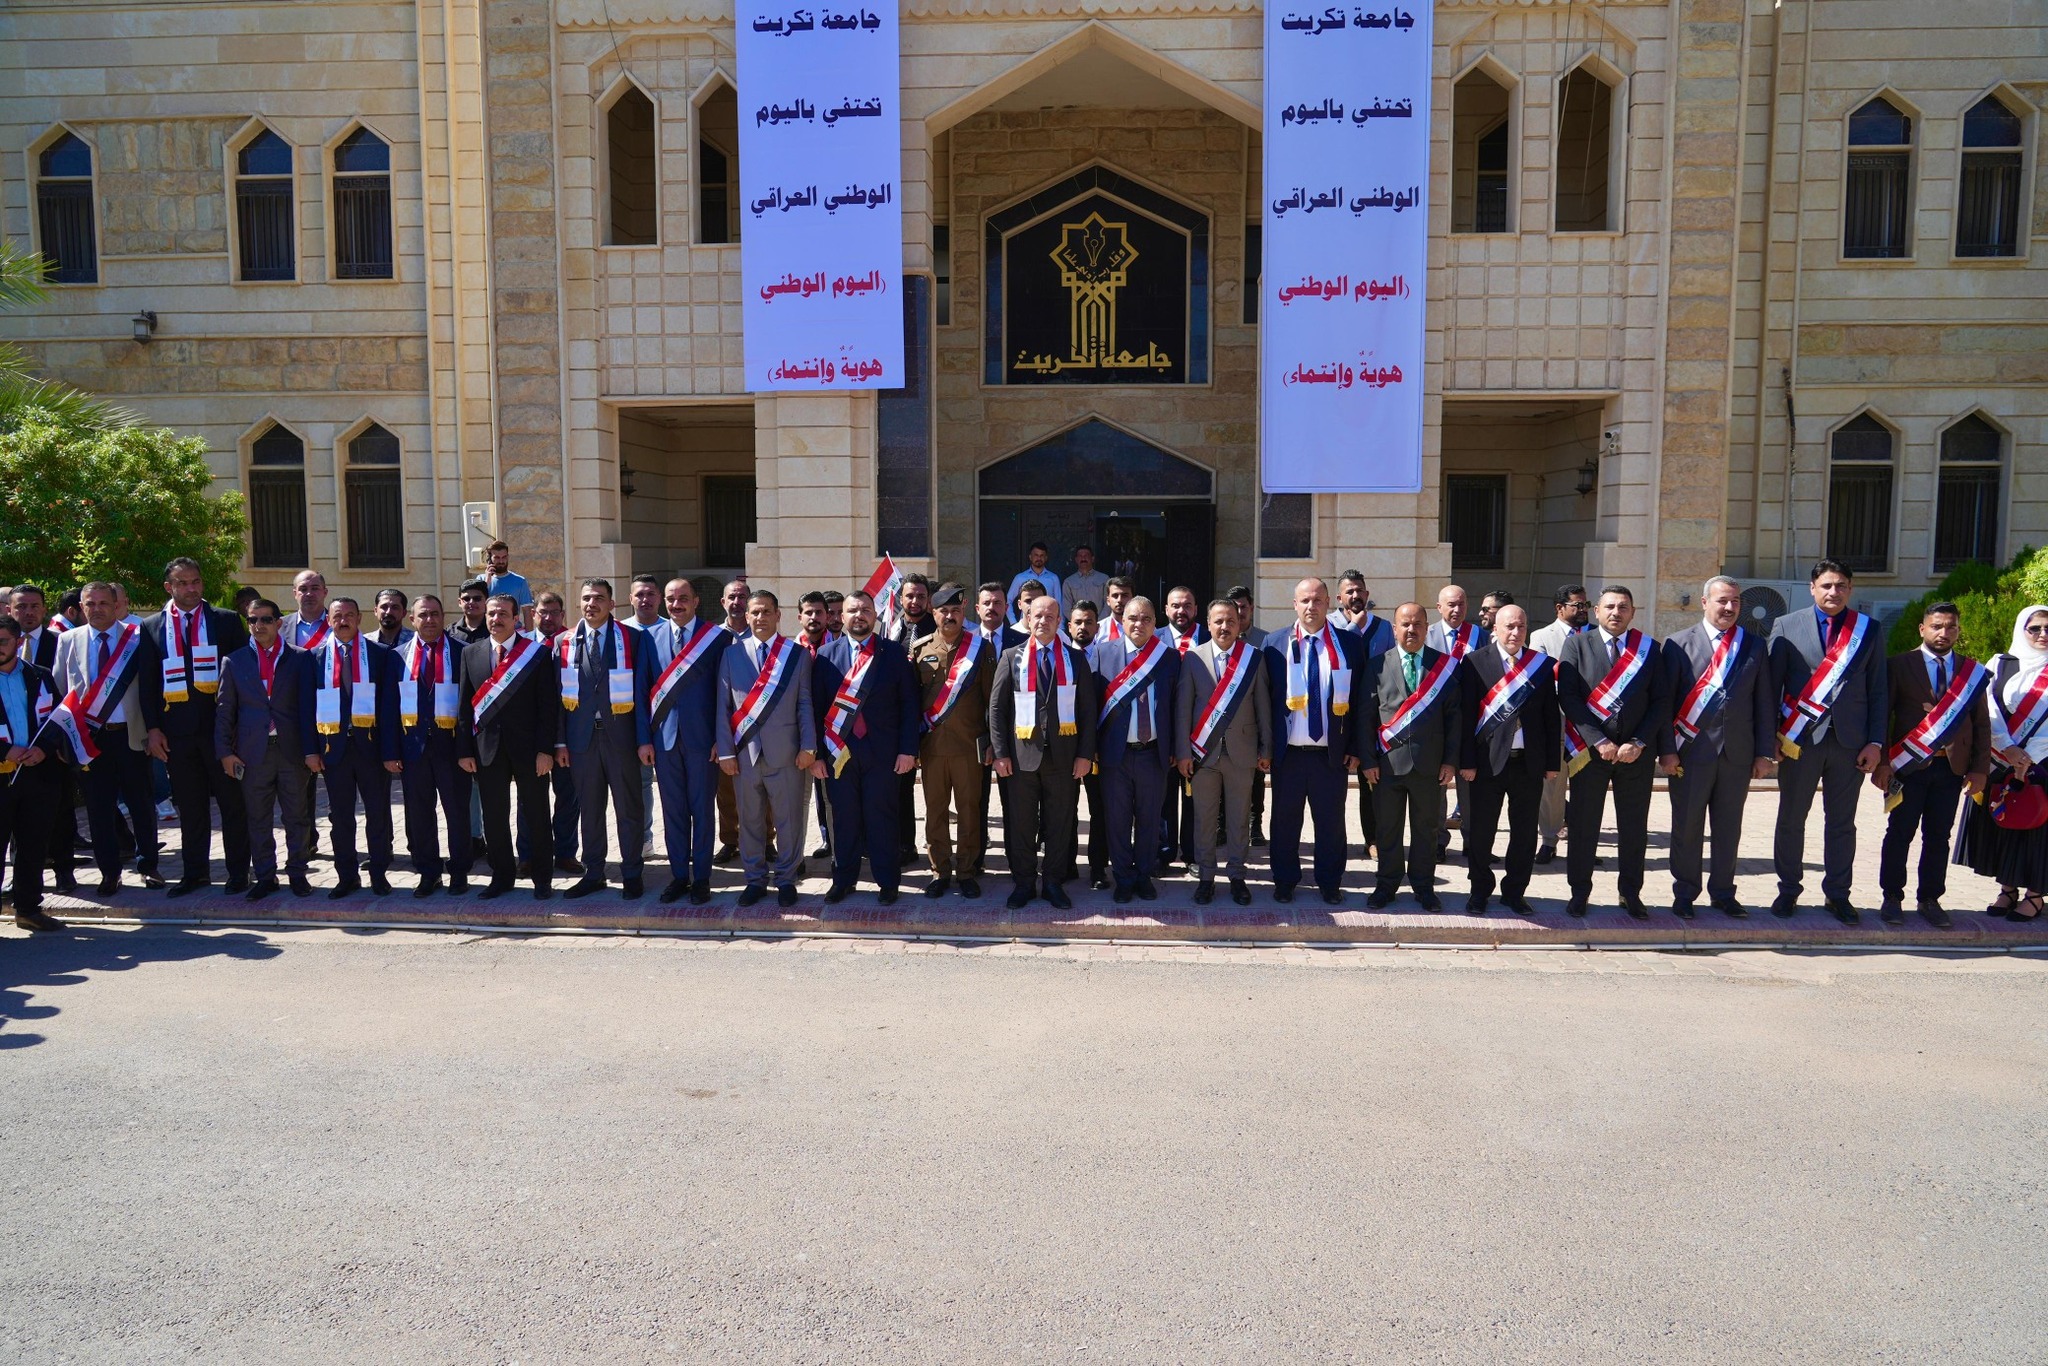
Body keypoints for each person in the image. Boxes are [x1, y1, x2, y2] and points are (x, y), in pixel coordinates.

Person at [1769, 559, 1887, 923]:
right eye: (1826, 585)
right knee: (1791, 818)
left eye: (1841, 586)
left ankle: (1837, 894)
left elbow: (1878, 690)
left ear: (1850, 589)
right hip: (1799, 740)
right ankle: (1788, 890)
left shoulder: (1868, 629)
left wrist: (1876, 742)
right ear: (1812, 588)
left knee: (1842, 823)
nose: (1833, 592)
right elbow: (1772, 686)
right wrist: (1771, 737)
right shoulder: (1786, 626)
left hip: (1851, 743)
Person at [1657, 576, 1776, 919]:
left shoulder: (1754, 645)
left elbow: (1764, 702)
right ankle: (1685, 893)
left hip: (1737, 754)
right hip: (1690, 753)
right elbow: (1665, 703)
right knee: (1687, 826)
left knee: (1728, 827)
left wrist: (1764, 752)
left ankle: (1723, 892)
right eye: (1722, 600)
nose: (1729, 607)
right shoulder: (1678, 644)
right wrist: (1667, 750)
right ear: (1704, 602)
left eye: (1735, 601)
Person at [1874, 601, 1989, 928]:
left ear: (1958, 631)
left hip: (1951, 770)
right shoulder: (1899, 665)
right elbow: (1883, 717)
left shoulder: (1971, 672)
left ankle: (1930, 899)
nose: (1944, 632)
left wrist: (1980, 769)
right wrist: (1883, 762)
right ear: (1922, 628)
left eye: (1951, 627)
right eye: (1937, 626)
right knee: (1899, 832)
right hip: (1906, 767)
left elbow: (1981, 723)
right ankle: (1892, 896)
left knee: (1938, 836)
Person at [1557, 585, 1668, 918]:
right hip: (1591, 753)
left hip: (1635, 755)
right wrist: (1598, 741)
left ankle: (1630, 893)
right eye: (1609, 607)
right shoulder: (1577, 644)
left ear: (1633, 612)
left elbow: (1661, 700)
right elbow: (1569, 697)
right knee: (1583, 825)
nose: (1616, 612)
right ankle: (1579, 892)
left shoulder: (1649, 649)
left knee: (1633, 827)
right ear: (1596, 611)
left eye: (1623, 607)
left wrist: (1639, 742)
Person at [145, 556, 251, 896]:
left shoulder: (226, 620)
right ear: (169, 587)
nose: (191, 589)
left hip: (221, 733)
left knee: (233, 805)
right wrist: (153, 729)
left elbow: (243, 676)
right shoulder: (151, 626)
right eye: (183, 583)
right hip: (176, 734)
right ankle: (195, 874)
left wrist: (238, 730)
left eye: (196, 582)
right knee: (191, 809)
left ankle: (238, 872)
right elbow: (147, 683)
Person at [1264, 577, 1373, 905]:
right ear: (1294, 605)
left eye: (1317, 600)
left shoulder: (1349, 644)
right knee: (1284, 822)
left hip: (1331, 755)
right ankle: (1285, 880)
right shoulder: (1274, 643)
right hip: (1289, 754)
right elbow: (1266, 701)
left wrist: (1355, 747)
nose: (1311, 606)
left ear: (1329, 603)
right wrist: (1265, 748)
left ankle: (1329, 882)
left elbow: (1360, 700)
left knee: (1331, 823)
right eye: (1305, 601)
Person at [52, 581, 166, 894]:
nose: (97, 609)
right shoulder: (68, 640)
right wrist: (64, 739)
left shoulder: (138, 637)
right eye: (90, 604)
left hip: (131, 736)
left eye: (104, 603)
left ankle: (149, 867)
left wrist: (154, 730)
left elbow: (152, 687)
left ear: (116, 605)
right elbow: (61, 692)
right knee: (99, 810)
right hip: (90, 740)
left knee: (142, 805)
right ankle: (109, 872)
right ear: (81, 607)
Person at [989, 593, 1097, 910]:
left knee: (1060, 823)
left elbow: (1088, 711)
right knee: (1021, 824)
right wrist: (1001, 753)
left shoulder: (1075, 660)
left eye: (1050, 616)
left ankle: (1052, 882)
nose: (1043, 621)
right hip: (1021, 758)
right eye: (1037, 615)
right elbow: (997, 709)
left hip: (1064, 759)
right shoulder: (1011, 657)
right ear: (1027, 618)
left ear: (1059, 621)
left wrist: (1085, 755)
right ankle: (1024, 883)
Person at [813, 588, 922, 904]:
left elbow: (909, 705)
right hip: (838, 753)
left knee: (882, 818)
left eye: (865, 610)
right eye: (852, 610)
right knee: (844, 819)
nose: (859, 616)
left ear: (875, 616)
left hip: (883, 754)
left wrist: (908, 750)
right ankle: (843, 880)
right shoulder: (825, 656)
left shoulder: (893, 653)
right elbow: (817, 708)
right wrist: (817, 755)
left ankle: (887, 882)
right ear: (840, 616)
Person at [554, 579, 654, 900]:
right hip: (581, 741)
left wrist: (644, 739)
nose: (591, 603)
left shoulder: (633, 639)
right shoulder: (563, 642)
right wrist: (560, 743)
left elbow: (643, 692)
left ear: (612, 604)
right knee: (590, 809)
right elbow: (557, 698)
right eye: (586, 598)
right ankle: (594, 872)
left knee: (629, 808)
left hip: (622, 739)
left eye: (599, 598)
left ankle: (632, 872)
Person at [718, 590, 816, 907]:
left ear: (778, 615)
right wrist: (726, 752)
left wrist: (809, 746)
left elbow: (804, 703)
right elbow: (723, 707)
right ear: (747, 616)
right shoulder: (731, 655)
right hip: (744, 754)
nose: (761, 617)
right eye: (755, 612)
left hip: (786, 752)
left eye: (766, 611)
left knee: (789, 821)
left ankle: (786, 879)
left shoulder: (795, 654)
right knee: (749, 821)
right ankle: (755, 880)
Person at [1457, 605, 1556, 916]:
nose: (1515, 633)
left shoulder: (1541, 665)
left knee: (1524, 833)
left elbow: (1551, 718)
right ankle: (1479, 890)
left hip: (1529, 763)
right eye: (1509, 627)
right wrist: (1466, 761)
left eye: (1521, 627)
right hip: (1487, 763)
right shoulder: (1475, 662)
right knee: (1481, 831)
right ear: (1495, 629)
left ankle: (1515, 891)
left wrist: (1552, 763)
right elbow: (1465, 716)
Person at [457, 594, 558, 900]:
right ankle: (502, 877)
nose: (495, 619)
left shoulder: (536, 654)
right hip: (487, 749)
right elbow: (464, 707)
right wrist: (464, 750)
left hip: (530, 751)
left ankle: (543, 879)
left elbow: (548, 707)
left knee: (537, 815)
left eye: (502, 614)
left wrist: (546, 750)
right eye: (491, 614)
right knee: (494, 817)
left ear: (516, 619)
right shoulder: (470, 653)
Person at [300, 598, 402, 897]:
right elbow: (306, 708)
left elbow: (389, 707)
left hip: (371, 749)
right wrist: (311, 750)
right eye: (337, 616)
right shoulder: (314, 657)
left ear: (359, 618)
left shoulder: (380, 654)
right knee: (341, 817)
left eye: (349, 615)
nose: (343, 620)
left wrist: (390, 752)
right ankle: (347, 876)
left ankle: (379, 874)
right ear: (328, 620)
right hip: (333, 750)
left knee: (378, 814)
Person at [216, 597, 313, 900]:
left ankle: (297, 873)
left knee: (296, 817)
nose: (259, 625)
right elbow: (225, 710)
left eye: (266, 619)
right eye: (253, 620)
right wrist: (225, 752)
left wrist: (312, 750)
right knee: (257, 818)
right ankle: (265, 876)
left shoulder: (300, 658)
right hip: (252, 752)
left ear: (278, 623)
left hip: (291, 751)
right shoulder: (234, 661)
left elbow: (309, 709)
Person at [1175, 597, 1269, 906]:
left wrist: (1265, 748)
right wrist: (1183, 752)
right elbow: (1183, 708)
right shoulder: (1193, 658)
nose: (1225, 626)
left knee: (1239, 819)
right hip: (1203, 754)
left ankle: (1238, 877)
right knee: (1204, 819)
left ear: (1240, 623)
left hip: (1242, 753)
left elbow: (1263, 707)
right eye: (1218, 621)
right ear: (1208, 623)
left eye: (1231, 620)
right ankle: (1206, 878)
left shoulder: (1253, 657)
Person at [1366, 603, 1458, 910]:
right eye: (1405, 624)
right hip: (1386, 765)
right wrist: (1368, 760)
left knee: (1426, 830)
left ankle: (1423, 887)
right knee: (1387, 829)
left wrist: (1450, 761)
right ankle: (1386, 885)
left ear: (1427, 628)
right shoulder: (1377, 665)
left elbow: (1454, 718)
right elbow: (1366, 716)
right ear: (1394, 629)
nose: (1411, 630)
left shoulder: (1443, 666)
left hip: (1429, 766)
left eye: (1417, 624)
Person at [647, 576, 732, 905]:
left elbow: (726, 694)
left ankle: (703, 878)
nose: (676, 604)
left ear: (696, 601)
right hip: (664, 741)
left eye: (683, 598)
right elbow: (642, 692)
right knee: (674, 813)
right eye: (670, 599)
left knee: (702, 811)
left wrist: (721, 739)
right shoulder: (650, 637)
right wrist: (644, 739)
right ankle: (680, 876)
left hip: (703, 742)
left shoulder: (717, 638)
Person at [1095, 596, 1180, 904]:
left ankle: (1143, 876)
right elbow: (1091, 704)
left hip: (1153, 754)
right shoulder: (1103, 653)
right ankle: (1123, 877)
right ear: (1122, 621)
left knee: (1149, 820)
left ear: (1155, 623)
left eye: (1146, 619)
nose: (1138, 624)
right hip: (1115, 756)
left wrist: (1175, 747)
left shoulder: (1169, 657)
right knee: (1117, 821)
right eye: (1132, 618)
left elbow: (1176, 706)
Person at [912, 583, 992, 899]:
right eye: (943, 611)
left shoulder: (980, 649)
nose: (949, 616)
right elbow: (912, 701)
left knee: (970, 811)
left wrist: (992, 744)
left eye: (955, 611)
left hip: (969, 748)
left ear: (964, 611)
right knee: (935, 812)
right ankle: (940, 871)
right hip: (932, 748)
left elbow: (991, 700)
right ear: (933, 613)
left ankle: (967, 871)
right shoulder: (919, 650)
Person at [396, 595, 474, 897]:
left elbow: (471, 707)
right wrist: (391, 752)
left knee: (457, 814)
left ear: (444, 617)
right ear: (412, 619)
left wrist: (467, 749)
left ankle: (460, 872)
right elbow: (389, 707)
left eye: (435, 614)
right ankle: (428, 873)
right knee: (419, 815)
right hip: (413, 749)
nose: (429, 620)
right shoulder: (398, 656)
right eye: (423, 615)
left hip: (452, 749)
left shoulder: (463, 653)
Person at [0, 614, 63, 930]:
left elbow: (59, 720)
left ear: (19, 641)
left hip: (37, 775)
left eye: (3, 641)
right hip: (2, 775)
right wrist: (4, 751)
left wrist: (44, 749)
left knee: (33, 845)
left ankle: (27, 909)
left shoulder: (40, 675)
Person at [13, 584, 78, 890]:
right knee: (15, 816)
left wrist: (54, 743)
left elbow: (68, 695)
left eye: (34, 606)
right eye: (21, 606)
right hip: (13, 750)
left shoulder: (61, 642)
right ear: (10, 610)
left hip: (51, 745)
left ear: (43, 608)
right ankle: (22, 879)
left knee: (60, 810)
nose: (28, 612)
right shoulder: (5, 643)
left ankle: (64, 870)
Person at [1527, 584, 1592, 864]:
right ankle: (1549, 840)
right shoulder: (1541, 637)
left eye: (1585, 605)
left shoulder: (1595, 635)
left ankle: (1583, 844)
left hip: (1589, 726)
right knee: (1552, 789)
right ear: (1559, 608)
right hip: (1557, 724)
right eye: (1577, 605)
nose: (1583, 610)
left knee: (1587, 789)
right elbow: (1539, 680)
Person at [1062, 599, 1108, 887]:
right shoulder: (1060, 655)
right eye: (1077, 622)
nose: (1083, 627)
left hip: (1098, 749)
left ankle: (1098, 868)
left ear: (1097, 626)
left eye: (1088, 622)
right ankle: (1066, 864)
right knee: (1065, 808)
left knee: (1099, 810)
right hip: (1065, 747)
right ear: (1069, 626)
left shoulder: (1107, 656)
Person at [712, 578, 750, 865]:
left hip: (755, 723)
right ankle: (730, 840)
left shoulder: (761, 634)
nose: (737, 602)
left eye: (742, 597)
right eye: (732, 597)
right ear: (723, 602)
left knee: (761, 787)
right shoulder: (711, 638)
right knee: (725, 791)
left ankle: (767, 840)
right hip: (723, 723)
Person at [1336, 571, 1395, 655]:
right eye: (1350, 592)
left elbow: (1391, 659)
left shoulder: (1384, 626)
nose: (1356, 596)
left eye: (1359, 590)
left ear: (1366, 595)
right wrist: (1354, 626)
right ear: (1339, 599)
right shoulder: (1328, 624)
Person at [485, 539, 535, 629]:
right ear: (490, 559)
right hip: (489, 631)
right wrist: (487, 582)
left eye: (504, 557)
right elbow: (479, 606)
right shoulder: (481, 580)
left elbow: (527, 611)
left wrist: (530, 635)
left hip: (514, 631)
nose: (501, 561)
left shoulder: (520, 581)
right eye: (497, 558)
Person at [1007, 543, 1062, 623]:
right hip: (1025, 625)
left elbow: (1058, 603)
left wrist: (1060, 626)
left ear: (1046, 558)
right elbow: (1008, 600)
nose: (1039, 558)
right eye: (1036, 555)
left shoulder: (1053, 578)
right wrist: (1013, 622)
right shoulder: (1020, 578)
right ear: (1030, 557)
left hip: (1047, 623)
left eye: (1042, 555)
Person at [281, 570, 330, 648]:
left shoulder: (338, 624)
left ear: (325, 592)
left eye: (315, 588)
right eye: (303, 589)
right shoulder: (280, 626)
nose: (309, 594)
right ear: (295, 594)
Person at [1062, 545, 1108, 616]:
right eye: (1080, 556)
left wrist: (1100, 621)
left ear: (1092, 558)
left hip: (1101, 621)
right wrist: (1077, 621)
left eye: (1086, 555)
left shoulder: (1104, 579)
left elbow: (1108, 603)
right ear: (1076, 559)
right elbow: (1066, 607)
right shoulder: (1069, 582)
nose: (1083, 558)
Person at [450, 578, 492, 645]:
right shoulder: (450, 632)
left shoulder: (495, 630)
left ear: (487, 601)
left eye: (477, 598)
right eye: (466, 599)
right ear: (460, 602)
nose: (471, 602)